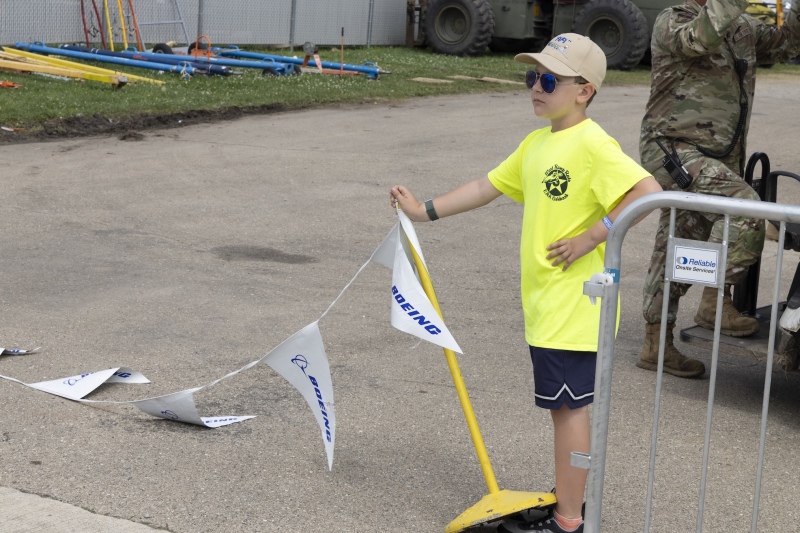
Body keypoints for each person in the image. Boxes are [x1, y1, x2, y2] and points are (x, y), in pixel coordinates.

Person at [390, 34, 660, 533]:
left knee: (569, 409)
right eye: (532, 77)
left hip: (575, 306)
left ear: (584, 91)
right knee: (563, 407)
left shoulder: (593, 143)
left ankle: (569, 520)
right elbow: (484, 187)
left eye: (550, 80)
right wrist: (423, 211)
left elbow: (647, 190)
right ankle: (569, 502)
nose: (536, 87)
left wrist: (591, 236)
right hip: (547, 306)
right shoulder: (537, 144)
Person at [638, 0, 800, 379]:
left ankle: (656, 344)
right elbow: (701, 38)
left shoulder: (741, 27)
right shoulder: (673, 20)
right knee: (746, 210)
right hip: (674, 150)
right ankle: (712, 300)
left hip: (719, 156)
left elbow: (787, 43)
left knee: (680, 239)